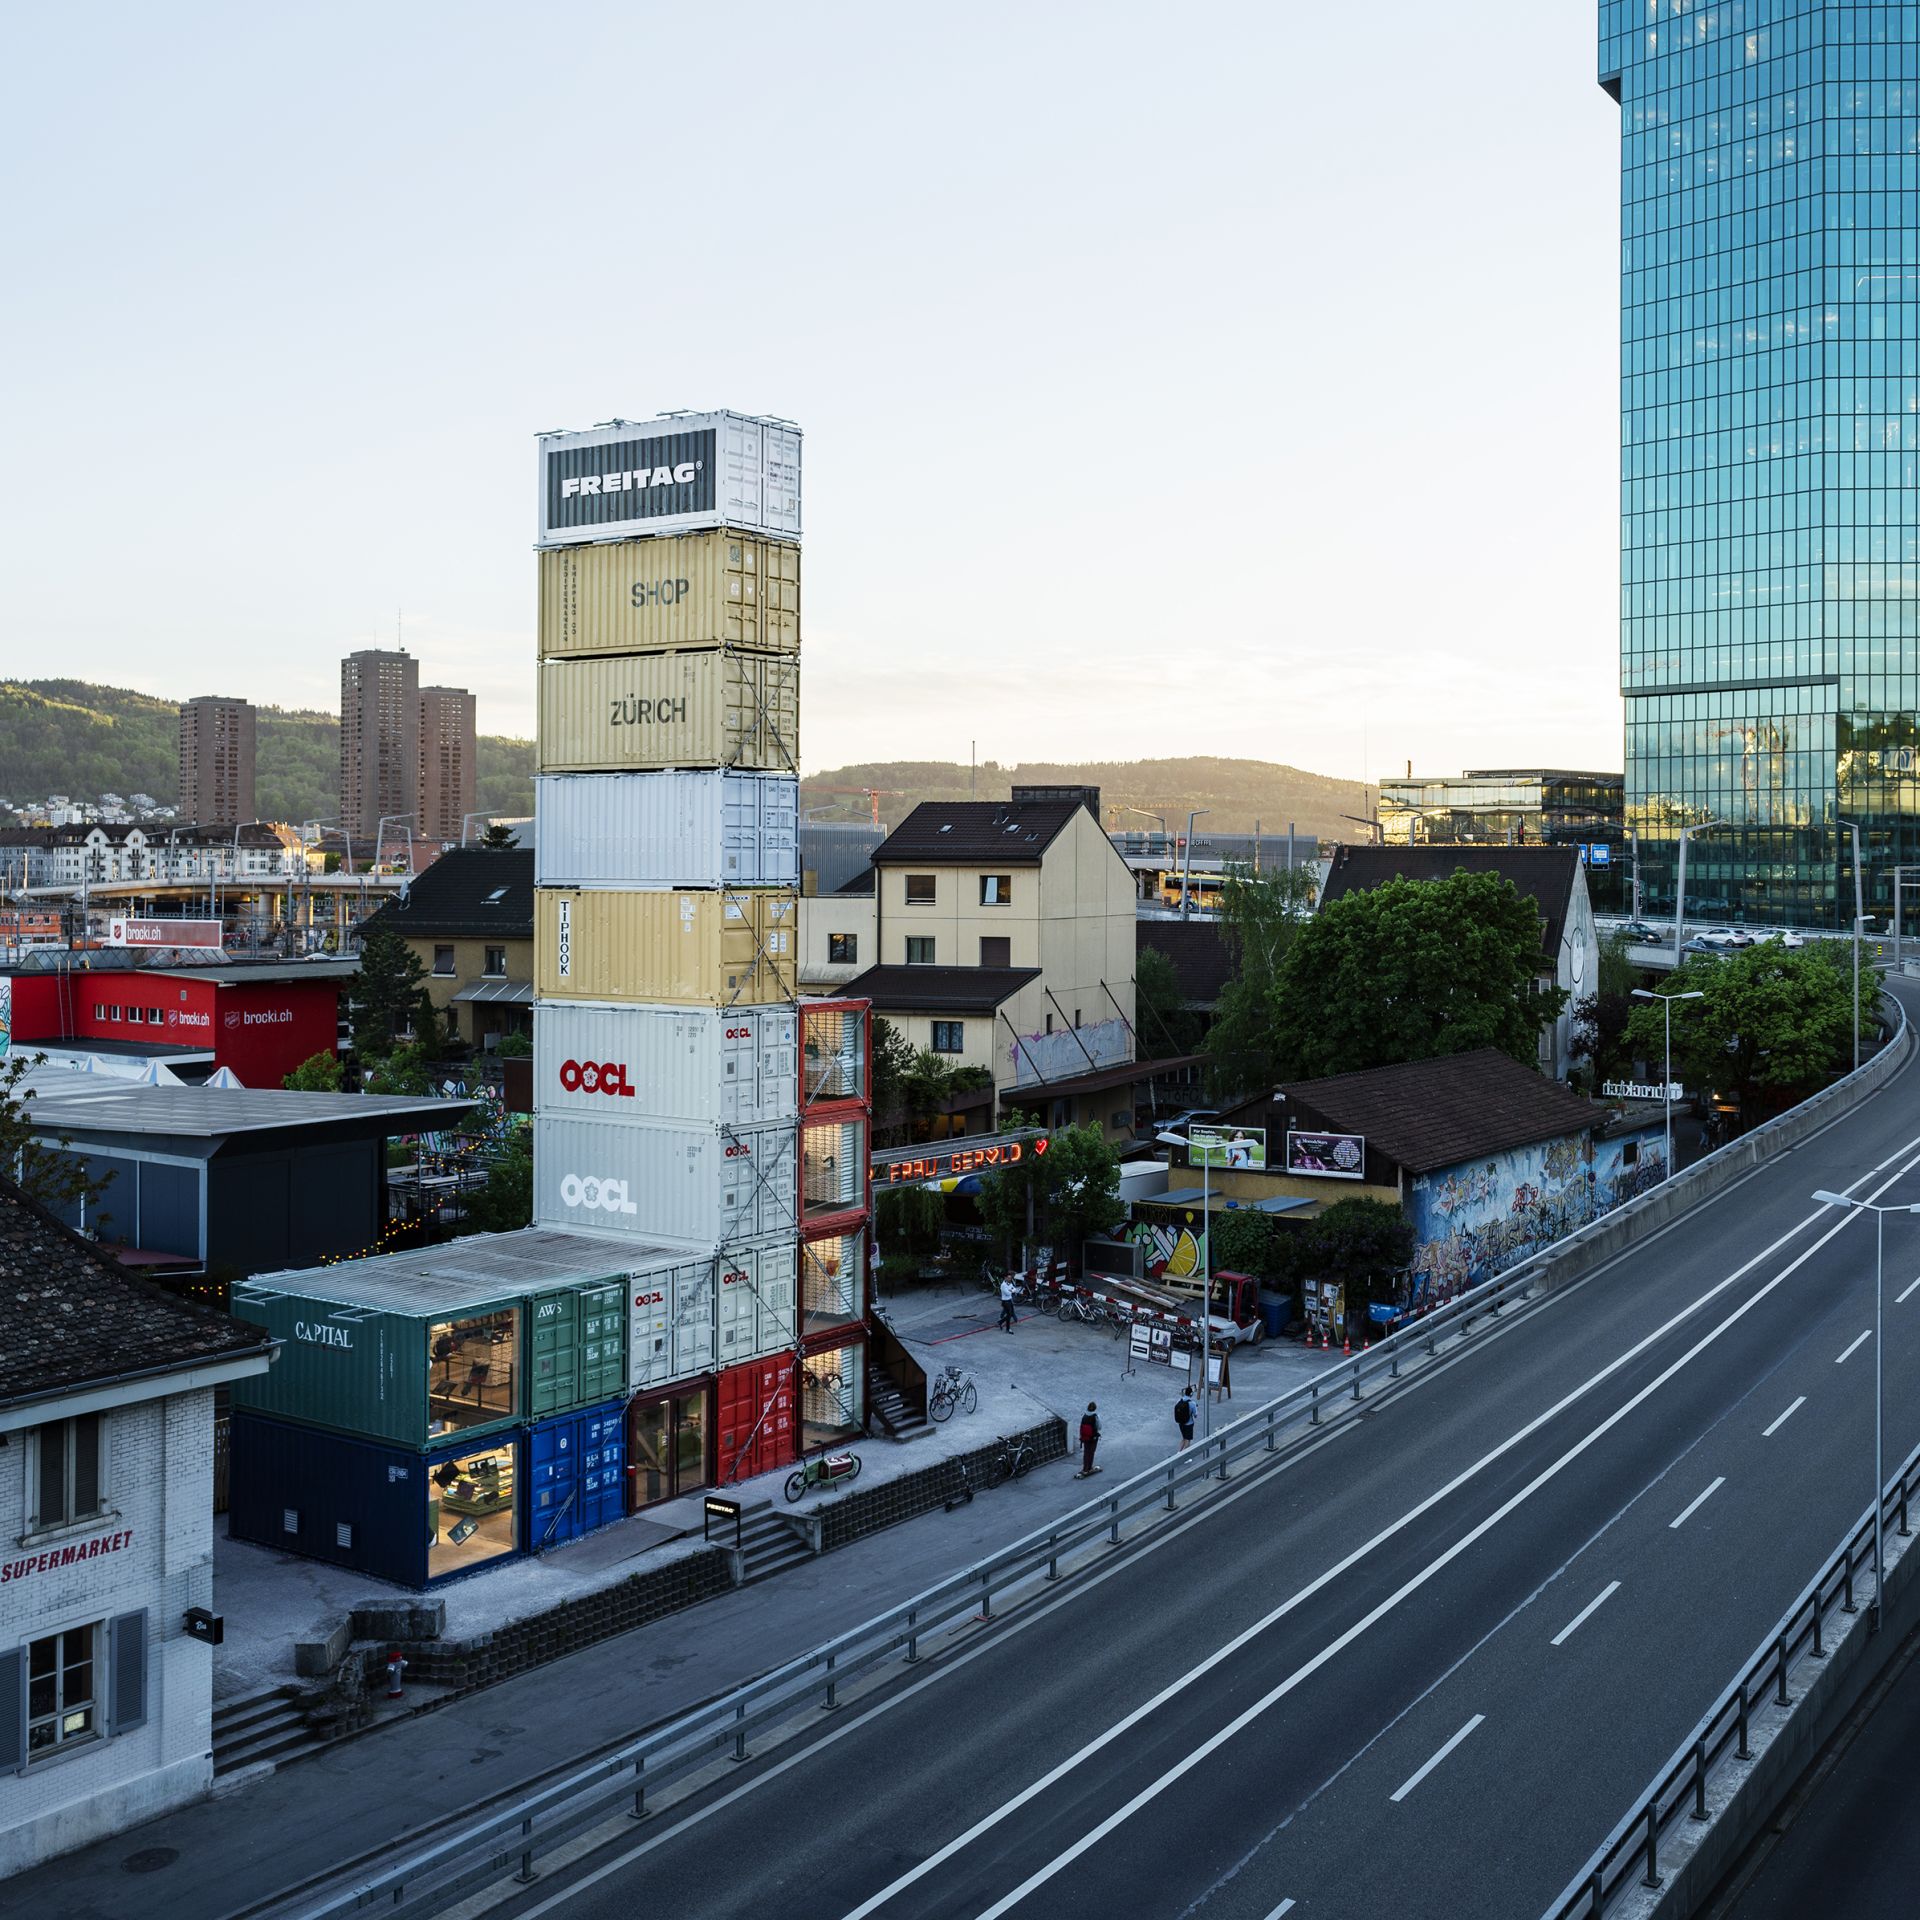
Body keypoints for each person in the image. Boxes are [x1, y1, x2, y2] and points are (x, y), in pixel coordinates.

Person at [1077, 1401, 1102, 1477]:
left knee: (1086, 1452)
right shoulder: (1095, 1416)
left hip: (1085, 1438)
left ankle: (1085, 1468)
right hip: (1093, 1438)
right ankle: (1089, 1468)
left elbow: (1081, 1427)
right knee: (1091, 1452)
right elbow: (1099, 1427)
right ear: (1095, 1408)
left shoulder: (1084, 1416)